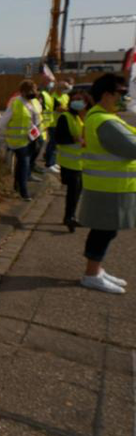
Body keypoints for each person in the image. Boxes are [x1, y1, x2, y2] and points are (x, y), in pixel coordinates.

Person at [78, 73, 136, 294]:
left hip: (111, 186)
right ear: (106, 94)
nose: (124, 97)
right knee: (103, 231)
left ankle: (96, 270)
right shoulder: (104, 120)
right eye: (121, 93)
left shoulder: (106, 116)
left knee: (106, 231)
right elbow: (132, 147)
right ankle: (91, 274)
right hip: (108, 187)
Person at [0, 80, 43, 201]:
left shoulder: (36, 102)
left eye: (34, 90)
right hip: (18, 140)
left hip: (32, 137)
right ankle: (24, 192)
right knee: (24, 163)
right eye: (30, 91)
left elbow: (38, 117)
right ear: (22, 91)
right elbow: (6, 117)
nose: (33, 93)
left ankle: (17, 185)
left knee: (23, 164)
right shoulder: (16, 103)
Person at [55, 89, 89, 232]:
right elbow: (59, 138)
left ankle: (70, 216)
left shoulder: (80, 117)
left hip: (79, 162)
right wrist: (75, 139)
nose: (77, 102)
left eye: (80, 99)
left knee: (77, 192)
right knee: (73, 192)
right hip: (69, 163)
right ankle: (70, 217)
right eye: (75, 99)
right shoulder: (65, 117)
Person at [38, 73, 59, 173]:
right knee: (45, 144)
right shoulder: (42, 93)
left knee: (47, 144)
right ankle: (49, 163)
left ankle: (51, 162)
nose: (52, 84)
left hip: (46, 124)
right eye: (50, 81)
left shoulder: (47, 94)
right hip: (41, 124)